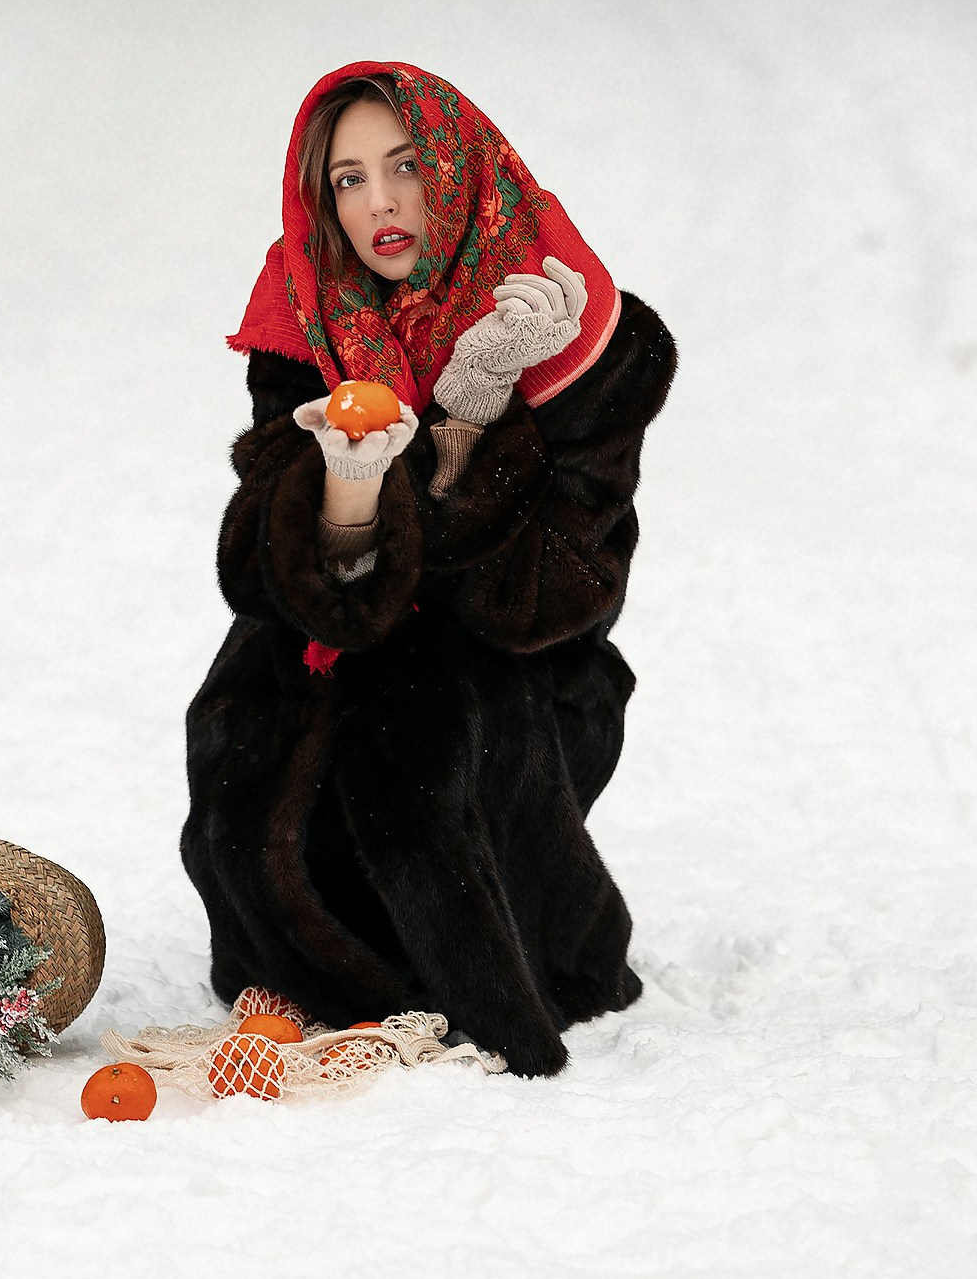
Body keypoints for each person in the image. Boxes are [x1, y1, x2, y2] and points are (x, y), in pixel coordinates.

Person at [180, 61, 676, 1077]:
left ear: (457, 169)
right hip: (338, 637)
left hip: (523, 664)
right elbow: (248, 563)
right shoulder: (304, 313)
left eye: (405, 166)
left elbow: (562, 585)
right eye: (348, 179)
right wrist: (351, 489)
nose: (381, 203)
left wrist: (474, 413)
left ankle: (479, 972)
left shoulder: (580, 331)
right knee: (247, 735)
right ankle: (307, 965)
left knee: (425, 726)